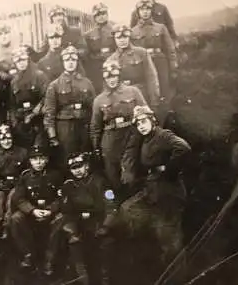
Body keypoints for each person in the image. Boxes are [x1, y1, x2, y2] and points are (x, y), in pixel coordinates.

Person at [114, 105, 191, 269]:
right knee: (128, 209)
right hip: (153, 191)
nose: (141, 126)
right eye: (138, 124)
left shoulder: (162, 135)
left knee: (170, 239)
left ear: (152, 120)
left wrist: (169, 171)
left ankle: (178, 276)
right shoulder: (147, 139)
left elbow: (183, 147)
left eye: (143, 121)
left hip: (168, 193)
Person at [90, 59, 147, 196]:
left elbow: (146, 112)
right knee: (114, 179)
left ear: (119, 75)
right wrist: (96, 148)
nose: (112, 80)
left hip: (131, 136)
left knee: (131, 176)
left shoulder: (133, 91)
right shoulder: (99, 100)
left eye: (114, 76)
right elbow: (95, 127)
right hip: (110, 141)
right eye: (108, 77)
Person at [60, 152, 119, 285]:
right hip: (80, 225)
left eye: (80, 166)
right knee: (74, 245)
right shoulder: (68, 186)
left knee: (106, 245)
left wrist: (106, 226)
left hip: (99, 222)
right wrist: (73, 231)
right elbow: (67, 211)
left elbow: (112, 207)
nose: (77, 171)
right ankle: (83, 279)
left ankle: (106, 279)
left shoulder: (100, 181)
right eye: (74, 168)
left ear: (86, 166)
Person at [10, 143, 64, 275]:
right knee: (15, 218)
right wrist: (32, 210)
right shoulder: (25, 176)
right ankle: (28, 255)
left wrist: (51, 209)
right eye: (35, 159)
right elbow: (18, 198)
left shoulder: (56, 176)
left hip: (50, 212)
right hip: (31, 213)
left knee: (61, 219)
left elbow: (63, 197)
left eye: (41, 158)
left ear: (46, 160)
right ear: (30, 161)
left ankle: (50, 259)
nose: (38, 162)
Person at [44, 45, 96, 171]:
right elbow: (49, 113)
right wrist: (52, 136)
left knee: (85, 155)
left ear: (77, 62)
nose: (70, 63)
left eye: (73, 60)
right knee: (67, 158)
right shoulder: (54, 85)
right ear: (62, 62)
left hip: (83, 125)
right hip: (65, 127)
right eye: (67, 60)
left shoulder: (86, 83)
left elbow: (93, 107)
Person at [131, 0, 178, 126]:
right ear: (138, 12)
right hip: (143, 65)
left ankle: (165, 122)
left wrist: (173, 67)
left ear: (151, 10)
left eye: (147, 9)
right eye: (142, 10)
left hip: (159, 62)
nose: (145, 12)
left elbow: (170, 49)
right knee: (147, 91)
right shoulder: (133, 32)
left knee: (163, 91)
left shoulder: (160, 27)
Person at [0, 124, 29, 244]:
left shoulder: (23, 152)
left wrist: (19, 183)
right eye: (2, 139)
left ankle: (6, 226)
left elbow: (27, 172)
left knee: (12, 195)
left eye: (9, 138)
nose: (6, 141)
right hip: (2, 185)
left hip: (17, 184)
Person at [107, 23, 160, 111]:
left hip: (142, 94)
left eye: (125, 37)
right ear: (114, 39)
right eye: (118, 37)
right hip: (122, 98)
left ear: (129, 37)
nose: (122, 40)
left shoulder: (141, 53)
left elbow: (151, 77)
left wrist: (154, 101)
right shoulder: (111, 60)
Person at [8, 46, 50, 149]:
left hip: (38, 119)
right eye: (18, 61)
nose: (21, 63)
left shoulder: (39, 76)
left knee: (39, 148)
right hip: (22, 121)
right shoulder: (14, 82)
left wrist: (35, 113)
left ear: (28, 60)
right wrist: (15, 123)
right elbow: (12, 104)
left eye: (23, 60)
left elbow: (46, 97)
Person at [83, 3, 116, 94]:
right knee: (98, 89)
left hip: (112, 62)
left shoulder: (115, 30)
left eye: (103, 13)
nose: (101, 17)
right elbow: (87, 53)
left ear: (107, 14)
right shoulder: (89, 34)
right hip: (96, 66)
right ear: (94, 17)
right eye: (98, 15)